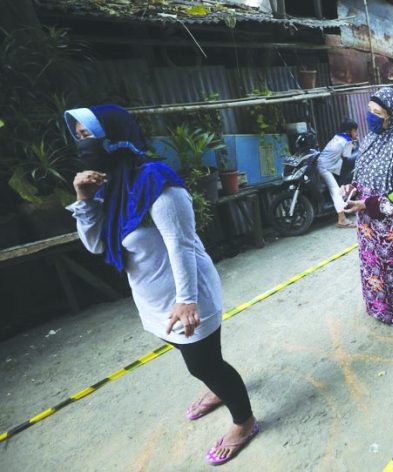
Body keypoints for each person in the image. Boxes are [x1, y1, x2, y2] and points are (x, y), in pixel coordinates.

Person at [63, 105, 258, 466]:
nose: (81, 143)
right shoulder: (111, 186)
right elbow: (96, 245)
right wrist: (83, 199)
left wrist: (186, 300)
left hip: (188, 295)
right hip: (153, 298)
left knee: (205, 365)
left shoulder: (156, 180)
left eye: (88, 134)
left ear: (114, 134)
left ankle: (244, 422)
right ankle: (217, 390)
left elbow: (180, 243)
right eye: (77, 136)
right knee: (194, 358)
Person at [342, 87, 393, 326]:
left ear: (392, 115)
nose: (370, 116)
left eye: (377, 112)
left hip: (392, 225)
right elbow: (363, 174)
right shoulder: (371, 140)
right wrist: (352, 188)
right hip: (368, 223)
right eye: (369, 110)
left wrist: (367, 204)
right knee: (374, 267)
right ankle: (379, 307)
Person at [318, 119, 359, 228]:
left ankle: (345, 203)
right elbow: (347, 157)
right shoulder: (348, 141)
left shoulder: (338, 136)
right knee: (335, 191)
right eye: (355, 131)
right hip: (326, 167)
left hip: (325, 163)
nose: (356, 134)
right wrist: (353, 143)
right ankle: (342, 219)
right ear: (350, 131)